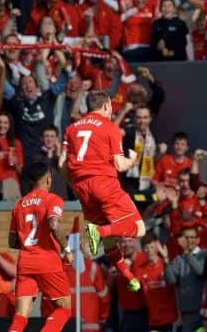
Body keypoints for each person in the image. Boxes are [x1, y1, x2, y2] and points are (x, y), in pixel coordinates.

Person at [60, 90, 145, 289]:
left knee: (108, 241)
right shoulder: (110, 127)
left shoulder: (71, 129)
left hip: (82, 188)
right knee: (139, 228)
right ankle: (98, 231)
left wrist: (75, 185)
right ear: (107, 105)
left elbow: (61, 164)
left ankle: (128, 275)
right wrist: (133, 159)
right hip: (104, 184)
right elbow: (120, 165)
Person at [7, 161, 72, 332]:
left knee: (21, 314)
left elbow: (12, 242)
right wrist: (67, 249)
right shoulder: (52, 199)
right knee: (64, 308)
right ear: (49, 179)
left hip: (25, 263)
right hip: (47, 261)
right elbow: (54, 225)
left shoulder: (19, 205)